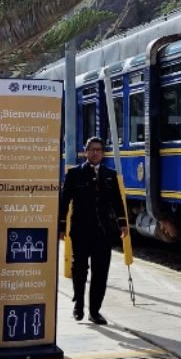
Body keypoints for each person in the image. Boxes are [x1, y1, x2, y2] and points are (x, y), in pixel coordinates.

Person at [58, 135, 125, 325]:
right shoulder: (74, 174)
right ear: (86, 152)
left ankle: (95, 310)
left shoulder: (110, 175)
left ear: (103, 154)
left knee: (100, 272)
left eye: (99, 150)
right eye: (92, 150)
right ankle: (78, 302)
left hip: (103, 232)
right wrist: (61, 226)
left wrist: (123, 223)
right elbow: (65, 202)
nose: (95, 153)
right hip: (80, 230)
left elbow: (117, 202)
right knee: (79, 269)